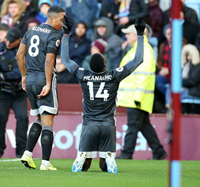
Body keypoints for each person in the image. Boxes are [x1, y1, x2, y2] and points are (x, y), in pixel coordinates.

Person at [60, 17, 146, 173]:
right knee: (104, 167)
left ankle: (81, 158)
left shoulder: (83, 75)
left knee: (85, 166)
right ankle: (109, 159)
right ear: (105, 65)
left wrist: (66, 33)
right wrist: (140, 34)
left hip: (89, 125)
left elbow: (65, 59)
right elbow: (138, 59)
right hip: (108, 125)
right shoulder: (114, 76)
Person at [17, 6, 65, 171]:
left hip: (29, 79)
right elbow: (49, 60)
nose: (63, 22)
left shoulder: (31, 30)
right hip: (43, 79)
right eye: (61, 19)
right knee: (48, 123)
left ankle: (28, 154)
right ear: (52, 19)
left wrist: (23, 76)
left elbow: (19, 54)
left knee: (38, 118)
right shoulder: (54, 34)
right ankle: (45, 163)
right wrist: (47, 83)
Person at [116, 23, 167, 160]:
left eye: (128, 33)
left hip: (136, 96)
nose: (126, 36)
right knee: (144, 125)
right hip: (136, 95)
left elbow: (143, 75)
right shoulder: (138, 48)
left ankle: (126, 153)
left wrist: (138, 96)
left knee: (133, 125)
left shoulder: (142, 49)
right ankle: (159, 151)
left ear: (135, 35)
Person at [0, 27, 29, 158]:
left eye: (11, 41)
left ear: (19, 40)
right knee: (0, 120)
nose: (8, 43)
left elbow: (23, 70)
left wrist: (3, 75)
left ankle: (21, 151)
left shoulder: (26, 49)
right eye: (7, 39)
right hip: (1, 91)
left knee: (23, 118)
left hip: (19, 91)